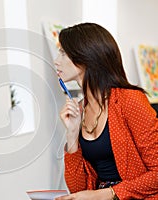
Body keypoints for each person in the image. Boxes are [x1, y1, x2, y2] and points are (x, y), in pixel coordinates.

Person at [54, 23, 158, 200]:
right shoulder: (80, 110)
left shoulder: (130, 101)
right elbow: (77, 189)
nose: (56, 60)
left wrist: (108, 194)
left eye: (63, 53)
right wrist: (72, 135)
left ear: (85, 56)